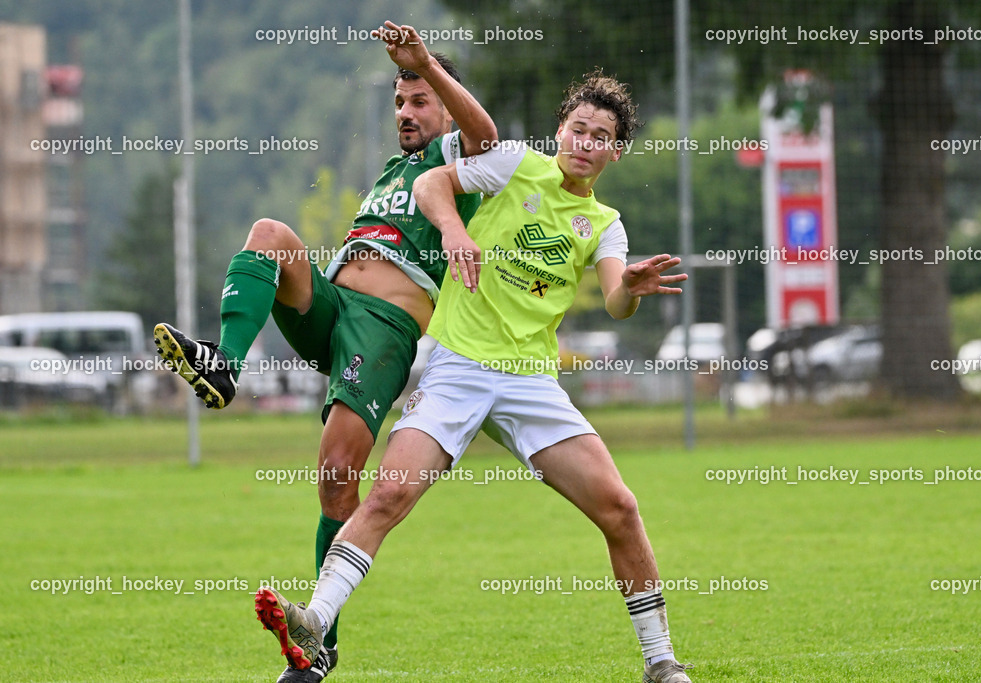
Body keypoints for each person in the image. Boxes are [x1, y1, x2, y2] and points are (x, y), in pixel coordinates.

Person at [254, 70, 695, 682]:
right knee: (389, 494)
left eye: (601, 136)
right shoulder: (515, 165)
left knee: (620, 508)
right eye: (578, 129)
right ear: (560, 130)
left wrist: (633, 290)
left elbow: (617, 298)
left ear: (615, 151)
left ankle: (660, 661)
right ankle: (316, 622)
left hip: (530, 384)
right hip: (458, 365)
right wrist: (457, 232)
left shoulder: (605, 223)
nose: (585, 143)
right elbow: (434, 182)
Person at [154, 21, 497, 683]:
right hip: (334, 311)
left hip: (384, 328)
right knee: (271, 233)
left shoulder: (460, 160)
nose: (405, 111)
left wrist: (428, 63)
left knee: (336, 474)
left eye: (419, 99)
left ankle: (318, 646)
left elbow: (484, 133)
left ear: (444, 101)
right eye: (399, 101)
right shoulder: (393, 169)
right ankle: (224, 363)